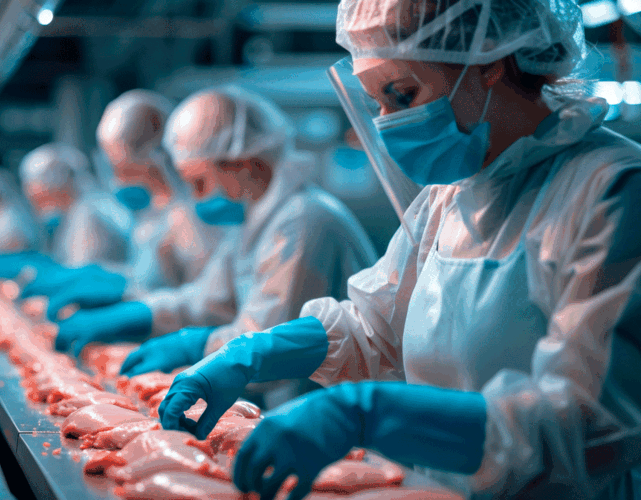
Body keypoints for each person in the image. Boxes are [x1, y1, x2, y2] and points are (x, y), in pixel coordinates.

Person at [155, 0, 641, 499]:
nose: (387, 123)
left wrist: (370, 413)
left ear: (492, 61)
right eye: (377, 103)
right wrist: (250, 354)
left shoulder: (611, 190)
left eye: (402, 94)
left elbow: (587, 423)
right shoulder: (448, 197)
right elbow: (374, 328)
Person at [57, 86, 378, 400]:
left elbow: (267, 344)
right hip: (290, 406)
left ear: (243, 162)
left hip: (329, 414)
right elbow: (206, 299)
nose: (196, 198)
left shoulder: (303, 221)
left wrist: (193, 345)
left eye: (200, 182)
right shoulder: (255, 221)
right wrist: (141, 313)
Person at [33, 89, 233, 322]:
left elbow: (209, 303)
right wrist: (112, 281)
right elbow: (149, 280)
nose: (117, 178)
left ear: (155, 155)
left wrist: (135, 310)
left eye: (124, 167)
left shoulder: (186, 218)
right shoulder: (152, 213)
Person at [19, 142, 131, 268]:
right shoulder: (74, 212)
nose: (30, 197)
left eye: (33, 189)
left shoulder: (89, 215)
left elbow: (86, 273)